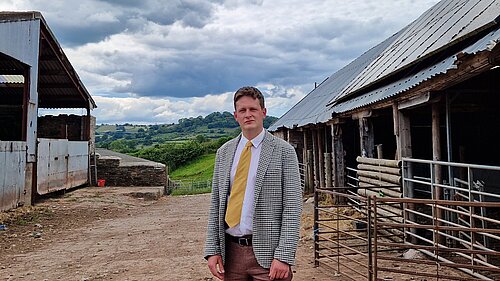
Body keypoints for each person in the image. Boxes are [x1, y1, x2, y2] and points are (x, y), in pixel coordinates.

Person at [204, 86, 302, 281]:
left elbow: (292, 207)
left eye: (253, 109)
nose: (248, 115)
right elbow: (216, 204)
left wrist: (283, 256)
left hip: (269, 257)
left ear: (263, 112)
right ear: (236, 116)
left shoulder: (284, 152)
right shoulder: (224, 153)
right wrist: (212, 249)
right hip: (230, 255)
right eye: (242, 110)